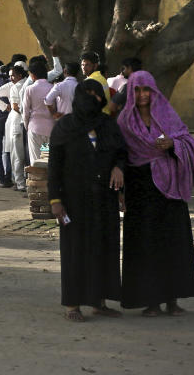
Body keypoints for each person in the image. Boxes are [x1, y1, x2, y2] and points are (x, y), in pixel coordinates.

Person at [117, 70, 194, 316]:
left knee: (172, 241)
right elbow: (120, 155)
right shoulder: (124, 121)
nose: (142, 95)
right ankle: (150, 301)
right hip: (140, 188)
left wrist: (173, 144)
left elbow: (188, 142)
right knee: (145, 243)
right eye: (137, 90)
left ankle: (172, 300)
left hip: (170, 191)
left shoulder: (167, 114)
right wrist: (120, 191)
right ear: (131, 93)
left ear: (154, 91)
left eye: (146, 90)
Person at [48, 79, 127, 322]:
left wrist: (119, 168)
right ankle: (73, 305)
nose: (92, 98)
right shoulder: (65, 127)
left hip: (104, 198)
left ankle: (99, 302)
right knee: (75, 251)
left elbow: (121, 153)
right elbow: (54, 167)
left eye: (97, 94)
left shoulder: (108, 125)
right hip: (74, 200)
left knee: (103, 248)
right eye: (87, 93)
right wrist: (55, 200)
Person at [0, 62, 29, 191]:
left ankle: (20, 183)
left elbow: (16, 108)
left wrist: (7, 108)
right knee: (33, 154)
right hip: (32, 124)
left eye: (12, 76)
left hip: (17, 123)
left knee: (16, 154)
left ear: (19, 75)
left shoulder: (14, 87)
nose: (10, 78)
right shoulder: (30, 83)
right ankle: (31, 180)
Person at [22, 60, 55, 166]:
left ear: (33, 75)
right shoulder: (53, 88)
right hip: (50, 128)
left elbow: (25, 111)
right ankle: (47, 182)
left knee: (36, 160)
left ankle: (37, 182)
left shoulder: (30, 89)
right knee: (47, 159)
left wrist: (26, 126)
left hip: (35, 128)